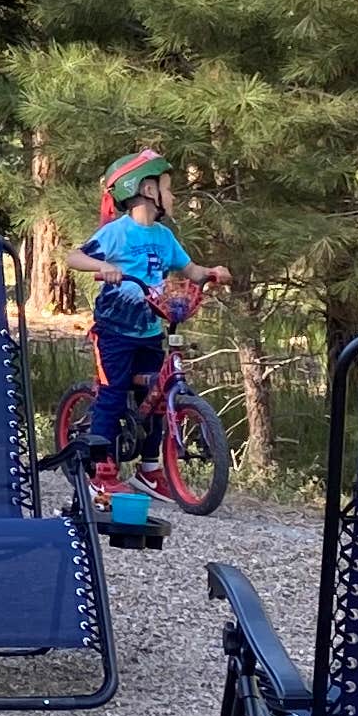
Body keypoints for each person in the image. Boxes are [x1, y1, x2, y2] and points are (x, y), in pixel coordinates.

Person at [69, 148, 210, 480]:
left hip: (148, 331)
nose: (172, 195)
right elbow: (74, 258)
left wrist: (210, 271)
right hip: (115, 332)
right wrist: (104, 266)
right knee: (113, 394)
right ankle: (100, 469)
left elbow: (188, 268)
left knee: (157, 399)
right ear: (148, 190)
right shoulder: (117, 233)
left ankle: (149, 470)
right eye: (168, 187)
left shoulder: (164, 236)